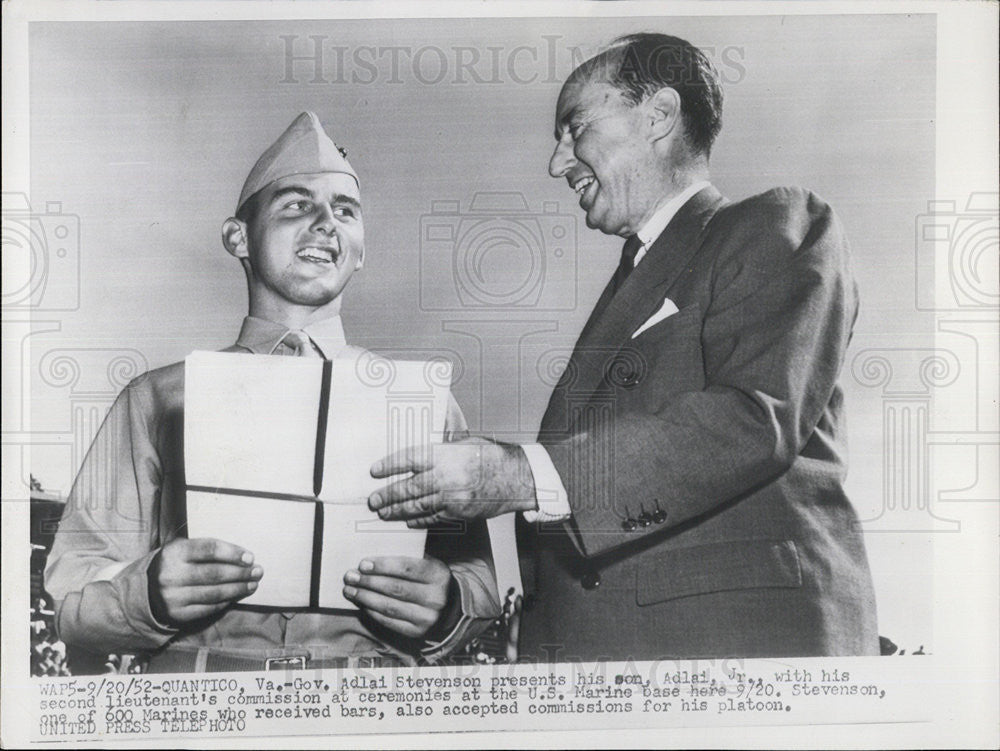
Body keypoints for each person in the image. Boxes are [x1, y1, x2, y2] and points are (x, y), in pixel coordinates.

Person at [368, 34, 879, 659]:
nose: (559, 163)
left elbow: (753, 417)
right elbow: (577, 524)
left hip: (734, 652)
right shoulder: (631, 284)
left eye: (575, 128)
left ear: (659, 115)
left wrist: (519, 474)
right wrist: (457, 599)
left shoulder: (774, 225)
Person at [44, 112, 499, 673]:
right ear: (238, 236)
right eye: (297, 205)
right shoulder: (156, 398)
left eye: (345, 211)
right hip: (202, 709)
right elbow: (72, 593)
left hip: (371, 712)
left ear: (362, 249)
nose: (326, 223)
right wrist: (149, 594)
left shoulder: (422, 403)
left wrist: (448, 604)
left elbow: (481, 581)